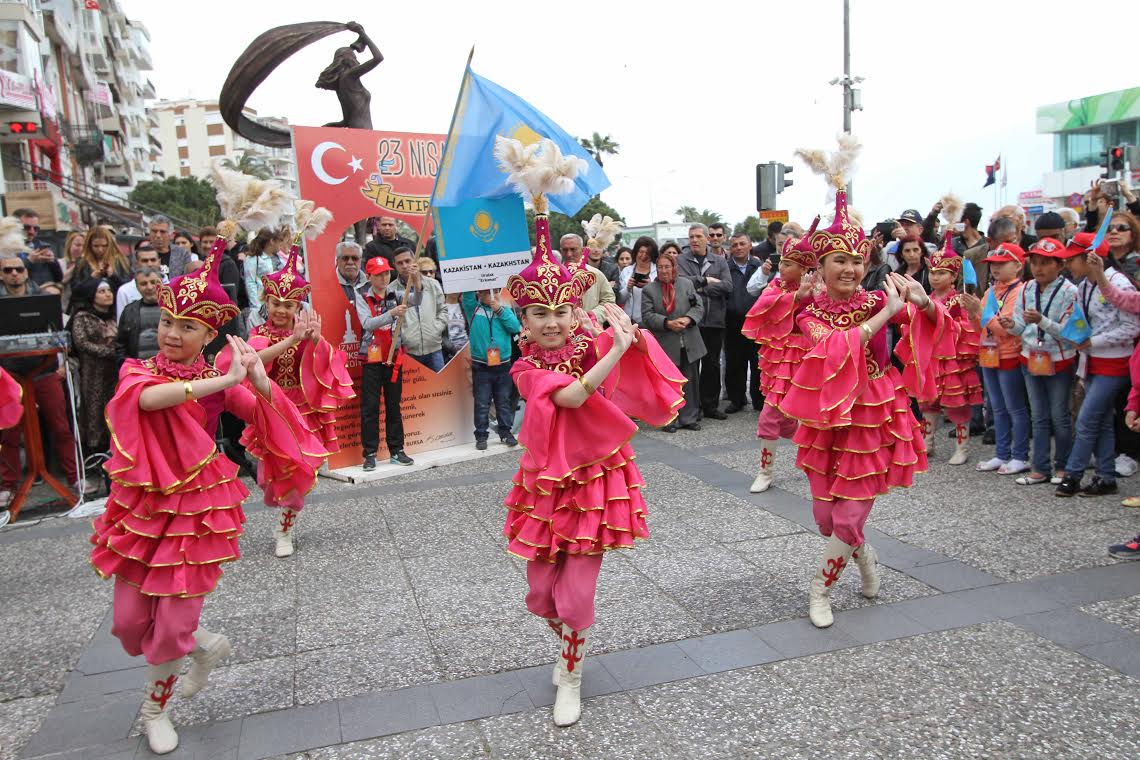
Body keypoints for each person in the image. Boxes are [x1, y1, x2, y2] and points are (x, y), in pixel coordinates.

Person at [89, 239, 322, 755]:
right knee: (130, 626)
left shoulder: (220, 379)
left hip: (197, 510)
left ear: (209, 332)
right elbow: (147, 401)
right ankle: (202, 647)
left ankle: (156, 708)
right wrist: (220, 378)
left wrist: (259, 381)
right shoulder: (139, 371)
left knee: (169, 623)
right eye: (168, 322)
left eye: (187, 327)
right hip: (141, 509)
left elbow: (262, 408)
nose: (171, 334)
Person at [498, 156, 683, 726]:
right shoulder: (525, 367)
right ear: (521, 319)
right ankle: (571, 643)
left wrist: (627, 344)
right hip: (545, 483)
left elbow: (630, 363)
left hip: (599, 478)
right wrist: (614, 352)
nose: (551, 321)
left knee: (575, 595)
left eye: (560, 310)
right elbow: (574, 397)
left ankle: (572, 672)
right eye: (537, 312)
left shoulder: (593, 339)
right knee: (539, 596)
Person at [781, 144, 946, 630]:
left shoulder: (881, 295)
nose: (850, 269)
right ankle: (865, 554)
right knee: (828, 519)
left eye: (857, 259)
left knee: (849, 516)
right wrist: (884, 317)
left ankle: (820, 588)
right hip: (825, 414)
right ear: (822, 266)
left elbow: (932, 323)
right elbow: (833, 348)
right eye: (840, 261)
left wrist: (924, 303)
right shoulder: (811, 313)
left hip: (874, 410)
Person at [220, 245, 354, 556]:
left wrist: (316, 342)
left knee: (299, 476)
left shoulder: (303, 331)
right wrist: (293, 340)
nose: (281, 310)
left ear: (298, 306)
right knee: (275, 478)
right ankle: (285, 519)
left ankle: (284, 529)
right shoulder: (259, 332)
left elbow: (327, 364)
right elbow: (252, 359)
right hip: (273, 409)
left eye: (289, 304)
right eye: (276, 303)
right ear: (266, 302)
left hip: (303, 410)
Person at [1054, 234, 1140, 497]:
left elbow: (1132, 326)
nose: (1068, 266)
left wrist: (1093, 341)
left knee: (1087, 420)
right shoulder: (1085, 285)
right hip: (1092, 362)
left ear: (1089, 258)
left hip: (1116, 363)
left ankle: (1073, 474)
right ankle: (1105, 477)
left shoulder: (1117, 281)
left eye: (1072, 260)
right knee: (1100, 422)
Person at [0, 255, 85, 501]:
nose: (15, 273)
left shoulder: (43, 297)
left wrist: (61, 364)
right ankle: (8, 486)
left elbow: (58, 334)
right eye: (9, 270)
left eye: (19, 269)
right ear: (2, 274)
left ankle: (75, 477)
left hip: (44, 370)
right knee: (10, 433)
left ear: (27, 272)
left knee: (61, 426)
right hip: (10, 375)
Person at [741, 227, 818, 492]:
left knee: (809, 413)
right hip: (781, 354)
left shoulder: (821, 287)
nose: (781, 268)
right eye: (782, 262)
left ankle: (816, 461)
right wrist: (796, 296)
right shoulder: (778, 285)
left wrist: (811, 295)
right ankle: (766, 470)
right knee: (771, 413)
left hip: (809, 354)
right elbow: (762, 304)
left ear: (804, 268)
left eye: (787, 264)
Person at [1008, 238, 1080, 486]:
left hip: (1059, 359)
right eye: (1035, 263)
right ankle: (1040, 467)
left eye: (1045, 263)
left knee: (1059, 414)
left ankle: (1063, 466)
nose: (1038, 268)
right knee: (1038, 415)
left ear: (1060, 265)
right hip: (1030, 357)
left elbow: (1070, 333)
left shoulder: (1070, 291)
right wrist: (1011, 325)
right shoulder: (1027, 288)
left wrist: (1042, 321)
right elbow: (1019, 327)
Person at [911, 229, 984, 465]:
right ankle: (927, 441)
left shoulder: (958, 300)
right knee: (928, 402)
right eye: (932, 272)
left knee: (957, 405)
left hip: (952, 358)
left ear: (953, 277)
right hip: (930, 357)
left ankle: (962, 447)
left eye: (941, 273)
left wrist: (948, 328)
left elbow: (967, 325)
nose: (934, 277)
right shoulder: (928, 298)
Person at [975, 243, 1031, 475]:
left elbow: (1003, 329)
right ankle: (1002, 453)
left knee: (1015, 407)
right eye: (993, 265)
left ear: (1018, 266)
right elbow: (981, 324)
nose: (995, 269)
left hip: (1009, 354)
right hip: (988, 354)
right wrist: (972, 314)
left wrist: (978, 313)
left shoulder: (1020, 291)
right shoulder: (990, 291)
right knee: (996, 407)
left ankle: (1020, 455)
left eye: (1001, 264)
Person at [356, 256, 413, 469]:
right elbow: (367, 323)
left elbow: (416, 299)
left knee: (393, 406)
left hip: (393, 358)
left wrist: (415, 279)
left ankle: (397, 450)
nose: (384, 277)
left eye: (387, 273)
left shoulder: (396, 294)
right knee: (370, 408)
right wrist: (391, 314)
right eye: (379, 274)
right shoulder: (362, 297)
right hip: (371, 360)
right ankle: (369, 453)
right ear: (369, 276)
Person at [642, 250, 705, 432]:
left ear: (674, 267)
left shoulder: (686, 284)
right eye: (660, 267)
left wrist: (688, 319)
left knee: (691, 380)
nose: (663, 271)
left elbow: (698, 306)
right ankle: (671, 419)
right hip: (665, 343)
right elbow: (647, 316)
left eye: (667, 267)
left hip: (689, 340)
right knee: (668, 383)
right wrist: (667, 323)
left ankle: (689, 417)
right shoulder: (649, 290)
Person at [677, 223, 732, 419]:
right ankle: (693, 407)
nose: (694, 240)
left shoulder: (719, 261)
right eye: (691, 236)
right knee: (691, 366)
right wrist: (707, 280)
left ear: (707, 239)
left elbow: (727, 286)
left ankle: (710, 406)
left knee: (712, 365)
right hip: (693, 322)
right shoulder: (681, 259)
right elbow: (682, 283)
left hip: (714, 320)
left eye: (698, 236)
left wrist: (699, 287)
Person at [462, 289, 520, 450]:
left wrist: (499, 310)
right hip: (481, 366)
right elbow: (467, 296)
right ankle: (481, 435)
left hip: (503, 365)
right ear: (479, 294)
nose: (490, 295)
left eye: (493, 292)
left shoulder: (504, 309)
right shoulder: (473, 309)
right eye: (486, 293)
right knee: (482, 402)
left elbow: (515, 327)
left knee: (503, 401)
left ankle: (506, 433)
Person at [69, 279, 119, 456]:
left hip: (114, 371)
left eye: (109, 291)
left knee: (115, 408)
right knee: (94, 409)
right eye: (102, 291)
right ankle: (94, 452)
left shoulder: (115, 315)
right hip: (93, 372)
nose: (107, 295)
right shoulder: (82, 317)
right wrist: (109, 351)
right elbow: (81, 343)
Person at [723, 232, 764, 413]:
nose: (738, 248)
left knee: (758, 364)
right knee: (734, 364)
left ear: (749, 246)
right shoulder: (725, 268)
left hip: (757, 323)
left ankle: (758, 399)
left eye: (742, 244)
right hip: (733, 324)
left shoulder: (760, 266)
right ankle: (737, 400)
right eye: (735, 245)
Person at [389, 247, 447, 371]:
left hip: (434, 349)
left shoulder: (433, 284)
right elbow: (391, 321)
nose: (404, 265)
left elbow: (443, 309)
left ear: (414, 260)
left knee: (440, 389)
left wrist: (436, 329)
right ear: (394, 265)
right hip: (408, 352)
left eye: (407, 261)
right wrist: (402, 340)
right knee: (413, 390)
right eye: (400, 263)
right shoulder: (391, 289)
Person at [559, 233, 616, 324]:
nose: (569, 254)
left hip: (591, 329)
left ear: (582, 250)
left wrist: (593, 315)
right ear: (561, 251)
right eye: (565, 250)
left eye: (573, 249)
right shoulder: (554, 274)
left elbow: (609, 300)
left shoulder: (596, 274)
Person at [116, 266, 163, 362]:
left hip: (169, 368)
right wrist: (125, 363)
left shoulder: (173, 308)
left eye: (153, 282)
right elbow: (121, 344)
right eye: (143, 284)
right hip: (138, 369)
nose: (149, 287)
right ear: (137, 287)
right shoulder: (129, 310)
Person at [69, 225, 132, 294]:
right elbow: (75, 289)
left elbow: (128, 287)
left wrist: (113, 276)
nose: (100, 249)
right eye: (96, 246)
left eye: (104, 245)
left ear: (110, 244)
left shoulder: (121, 261)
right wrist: (91, 278)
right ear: (90, 245)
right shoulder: (82, 262)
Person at [12, 209, 63, 289]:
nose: (32, 232)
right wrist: (29, 261)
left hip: (45, 296)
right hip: (21, 297)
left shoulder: (44, 247)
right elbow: (8, 276)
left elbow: (59, 278)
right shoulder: (6, 249)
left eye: (35, 228)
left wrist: (53, 262)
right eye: (26, 227)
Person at [617, 236, 657, 324]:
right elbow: (620, 300)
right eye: (641, 252)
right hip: (629, 321)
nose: (644, 255)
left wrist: (651, 287)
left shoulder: (658, 271)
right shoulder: (626, 271)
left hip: (651, 322)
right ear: (636, 252)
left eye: (648, 252)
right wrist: (627, 288)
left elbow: (662, 298)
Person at [242, 227, 285, 312]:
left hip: (275, 302)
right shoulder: (253, 258)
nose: (280, 246)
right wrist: (256, 306)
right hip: (261, 305)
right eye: (279, 242)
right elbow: (250, 283)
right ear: (272, 241)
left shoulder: (277, 258)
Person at [115, 243, 161, 317]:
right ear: (136, 264)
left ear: (159, 262)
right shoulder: (125, 291)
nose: (149, 264)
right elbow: (122, 321)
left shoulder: (171, 286)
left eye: (153, 260)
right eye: (145, 261)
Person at [147, 215, 194, 280]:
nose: (158, 235)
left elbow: (188, 278)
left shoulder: (182, 254)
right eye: (154, 231)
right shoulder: (141, 254)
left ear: (171, 234)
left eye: (162, 232)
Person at [442, 292, 469, 363]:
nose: (454, 291)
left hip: (467, 352)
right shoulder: (439, 307)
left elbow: (470, 329)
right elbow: (439, 335)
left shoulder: (465, 306)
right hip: (449, 354)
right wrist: (454, 351)